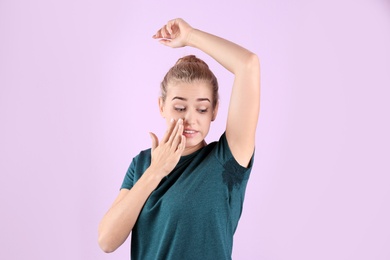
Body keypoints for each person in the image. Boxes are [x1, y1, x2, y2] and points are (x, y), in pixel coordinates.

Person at [98, 18, 260, 260]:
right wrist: (155, 171)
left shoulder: (227, 161)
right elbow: (107, 241)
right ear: (162, 107)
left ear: (215, 110)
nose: (190, 120)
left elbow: (248, 65)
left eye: (202, 109)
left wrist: (190, 36)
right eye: (180, 108)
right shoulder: (142, 165)